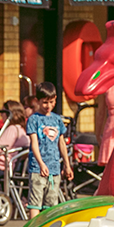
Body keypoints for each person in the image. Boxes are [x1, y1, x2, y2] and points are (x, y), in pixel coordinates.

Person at [24, 83, 71, 219]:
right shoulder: (34, 119)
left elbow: (61, 143)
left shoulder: (57, 120)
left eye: (51, 102)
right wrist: (41, 163)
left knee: (51, 205)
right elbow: (34, 144)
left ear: (55, 99)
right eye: (44, 102)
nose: (48, 106)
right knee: (35, 203)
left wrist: (67, 165)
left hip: (54, 168)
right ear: (38, 101)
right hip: (38, 168)